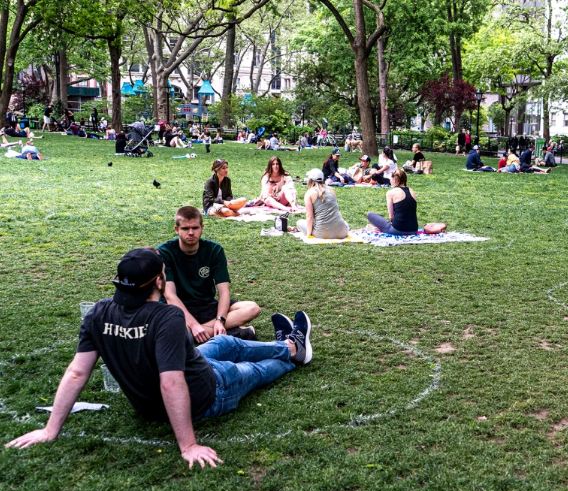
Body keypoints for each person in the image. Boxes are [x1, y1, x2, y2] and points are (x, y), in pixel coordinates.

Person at [4, 247, 313, 468]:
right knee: (249, 371)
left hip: (168, 388)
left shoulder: (98, 312)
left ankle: (289, 345)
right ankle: (293, 352)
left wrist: (50, 429)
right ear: (158, 283)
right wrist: (188, 445)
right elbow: (171, 383)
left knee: (227, 344)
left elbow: (76, 373)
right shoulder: (166, 317)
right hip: (207, 393)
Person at [159, 206, 260, 343]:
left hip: (206, 306)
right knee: (167, 326)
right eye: (185, 228)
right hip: (177, 310)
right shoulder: (164, 252)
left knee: (252, 308)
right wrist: (193, 324)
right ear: (177, 230)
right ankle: (233, 332)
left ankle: (200, 333)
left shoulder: (214, 250)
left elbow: (224, 292)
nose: (190, 233)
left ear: (202, 228)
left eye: (195, 228)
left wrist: (220, 320)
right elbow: (170, 296)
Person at [296, 169, 350, 239]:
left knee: (299, 222)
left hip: (321, 233)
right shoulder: (331, 189)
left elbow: (310, 216)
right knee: (344, 223)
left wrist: (309, 235)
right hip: (342, 232)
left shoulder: (309, 193)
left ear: (310, 180)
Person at [366, 169, 418, 235]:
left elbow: (391, 217)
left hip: (397, 230)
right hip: (414, 230)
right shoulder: (411, 191)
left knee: (370, 215)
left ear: (394, 179)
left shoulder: (390, 193)